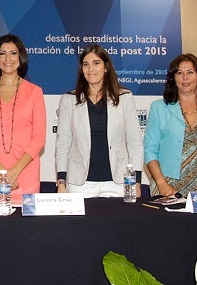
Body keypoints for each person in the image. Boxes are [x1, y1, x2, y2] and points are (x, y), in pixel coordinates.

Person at [55, 45, 143, 197]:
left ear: (106, 67)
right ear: (81, 69)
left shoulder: (125, 97)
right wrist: (61, 182)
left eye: (96, 63)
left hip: (119, 183)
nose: (91, 69)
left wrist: (136, 181)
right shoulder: (68, 100)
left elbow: (135, 142)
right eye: (86, 64)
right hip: (79, 185)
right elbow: (63, 144)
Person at [144, 53, 197, 196]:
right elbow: (150, 148)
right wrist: (161, 183)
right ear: (173, 78)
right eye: (179, 73)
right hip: (166, 186)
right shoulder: (159, 108)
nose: (185, 77)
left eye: (190, 72)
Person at [0, 34, 46, 204]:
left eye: (13, 53)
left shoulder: (35, 92)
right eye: (2, 53)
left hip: (25, 170)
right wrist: (3, 173)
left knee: (26, 226)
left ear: (21, 57)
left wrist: (14, 171)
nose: (8, 58)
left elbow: (39, 138)